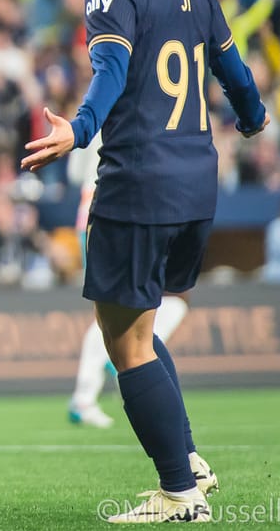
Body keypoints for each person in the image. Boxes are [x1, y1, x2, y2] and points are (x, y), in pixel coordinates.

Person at [22, 0, 267, 523]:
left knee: (122, 339)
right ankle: (186, 458)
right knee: (140, 326)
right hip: (197, 185)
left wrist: (78, 128)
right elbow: (233, 70)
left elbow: (110, 68)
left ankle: (180, 496)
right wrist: (252, 118)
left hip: (138, 182)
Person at [66, 132, 191, 429]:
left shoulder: (93, 113)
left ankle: (96, 384)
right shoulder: (136, 113)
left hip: (93, 211)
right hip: (116, 212)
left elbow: (73, 173)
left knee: (112, 308)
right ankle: (90, 391)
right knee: (111, 311)